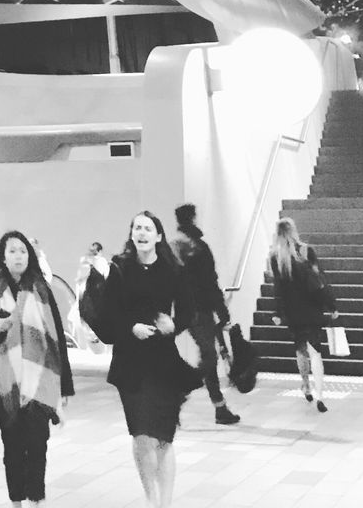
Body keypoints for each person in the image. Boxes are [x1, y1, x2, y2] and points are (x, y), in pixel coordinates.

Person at [98, 211, 195, 508]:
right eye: (137, 228)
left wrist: (174, 326)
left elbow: (188, 311)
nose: (141, 232)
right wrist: (131, 328)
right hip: (131, 362)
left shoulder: (172, 270)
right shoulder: (120, 269)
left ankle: (165, 503)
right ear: (132, 234)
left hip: (163, 362)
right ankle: (151, 499)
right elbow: (108, 313)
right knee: (141, 434)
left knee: (164, 438)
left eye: (147, 228)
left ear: (158, 236)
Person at [0, 231, 73, 508]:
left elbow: (57, 338)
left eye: (22, 251)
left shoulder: (42, 290)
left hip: (40, 379)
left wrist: (64, 386)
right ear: (3, 257)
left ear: (29, 256)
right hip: (6, 380)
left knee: (38, 445)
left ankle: (36, 501)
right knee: (12, 448)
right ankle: (16, 502)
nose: (18, 256)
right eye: (12, 251)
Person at [172, 205, 239, 425]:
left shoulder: (175, 249)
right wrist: (223, 312)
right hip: (201, 310)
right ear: (193, 218)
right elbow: (210, 282)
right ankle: (181, 391)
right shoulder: (199, 248)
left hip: (186, 312)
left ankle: (220, 407)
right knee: (209, 357)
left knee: (208, 355)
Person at [268, 217, 338, 413]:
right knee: (316, 352)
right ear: (294, 230)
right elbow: (320, 281)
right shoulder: (306, 250)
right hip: (312, 308)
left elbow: (278, 288)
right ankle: (320, 395)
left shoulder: (276, 257)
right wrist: (331, 305)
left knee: (301, 349)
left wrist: (277, 312)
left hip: (293, 311)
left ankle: (306, 385)